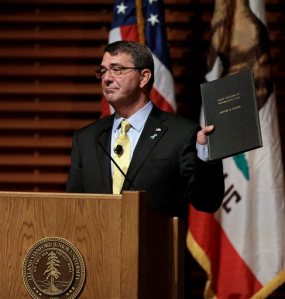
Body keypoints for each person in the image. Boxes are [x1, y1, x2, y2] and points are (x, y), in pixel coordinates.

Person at [66, 40, 224, 219]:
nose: (107, 78)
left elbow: (208, 202)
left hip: (154, 244)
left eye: (117, 70)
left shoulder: (181, 134)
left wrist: (204, 153)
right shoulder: (86, 138)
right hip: (98, 245)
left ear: (144, 77)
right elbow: (73, 207)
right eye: (103, 71)